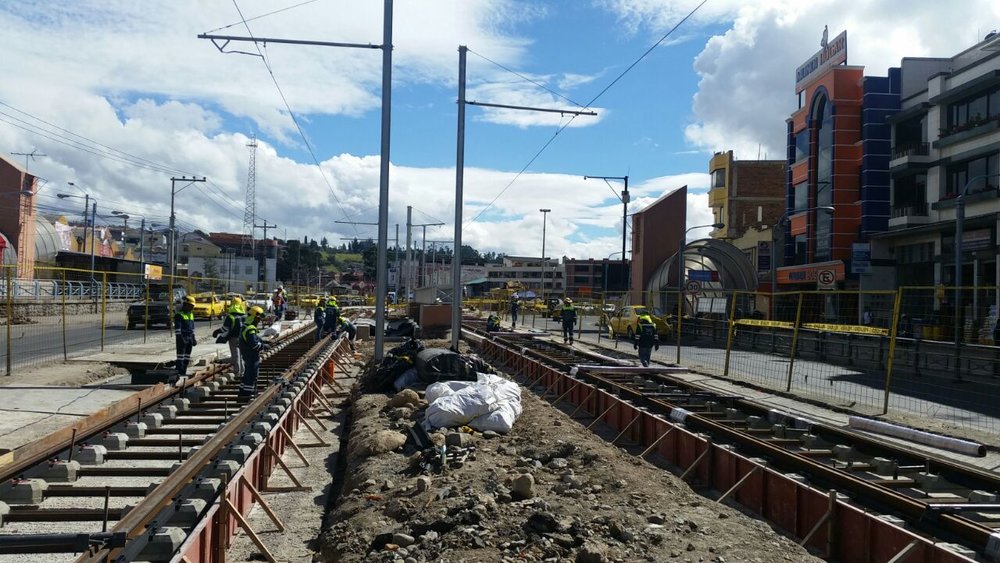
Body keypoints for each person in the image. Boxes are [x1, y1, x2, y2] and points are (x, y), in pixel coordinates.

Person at [238, 305, 268, 397]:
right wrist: (263, 346)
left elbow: (255, 339)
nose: (259, 321)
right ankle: (248, 393)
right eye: (258, 319)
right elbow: (254, 344)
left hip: (247, 354)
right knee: (252, 374)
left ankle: (242, 391)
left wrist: (263, 341)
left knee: (247, 372)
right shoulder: (250, 328)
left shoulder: (246, 326)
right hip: (251, 355)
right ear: (254, 317)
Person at [213, 296, 246, 379]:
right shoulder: (244, 316)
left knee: (236, 356)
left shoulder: (230, 317)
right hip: (243, 339)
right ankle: (243, 371)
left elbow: (224, 329)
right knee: (241, 356)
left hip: (234, 338)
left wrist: (216, 332)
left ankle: (237, 373)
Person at [173, 295, 197, 380]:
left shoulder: (191, 314)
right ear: (185, 305)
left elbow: (192, 327)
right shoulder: (179, 315)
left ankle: (184, 371)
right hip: (182, 337)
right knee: (181, 356)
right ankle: (179, 372)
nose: (192, 308)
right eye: (191, 306)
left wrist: (193, 338)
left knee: (187, 356)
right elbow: (177, 330)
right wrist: (181, 338)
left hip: (189, 337)